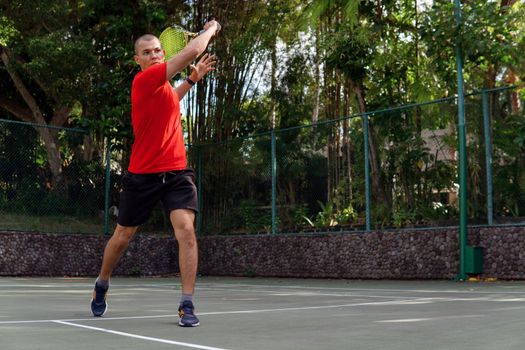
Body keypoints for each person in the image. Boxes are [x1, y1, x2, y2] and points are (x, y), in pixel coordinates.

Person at [90, 20, 221, 327]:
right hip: (143, 175)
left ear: (164, 53)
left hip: (176, 173)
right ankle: (102, 282)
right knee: (122, 238)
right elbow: (193, 49)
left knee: (186, 230)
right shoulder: (144, 81)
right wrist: (211, 28)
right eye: (146, 52)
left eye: (158, 51)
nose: (154, 55)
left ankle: (186, 304)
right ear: (138, 60)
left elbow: (170, 104)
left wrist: (190, 81)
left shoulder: (161, 88)